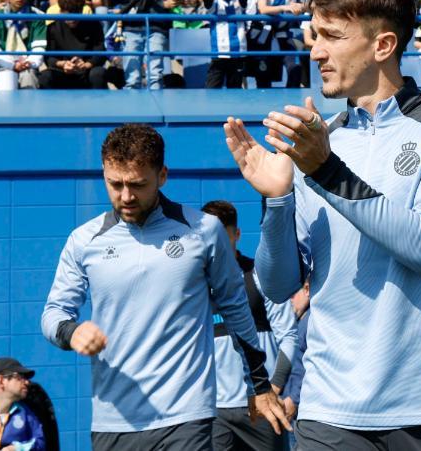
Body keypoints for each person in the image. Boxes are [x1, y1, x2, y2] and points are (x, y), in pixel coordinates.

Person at [224, 0, 421, 450]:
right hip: (330, 413)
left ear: (383, 45)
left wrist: (326, 171)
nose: (315, 51)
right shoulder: (321, 141)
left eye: (331, 36)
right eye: (314, 35)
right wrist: (278, 199)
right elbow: (279, 283)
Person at [42, 124, 290, 451]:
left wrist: (258, 384)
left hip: (187, 415)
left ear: (162, 176)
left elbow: (235, 308)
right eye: (114, 184)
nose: (126, 196)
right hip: (114, 419)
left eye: (137, 185)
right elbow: (54, 313)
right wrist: (71, 333)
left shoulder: (204, 230)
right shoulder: (84, 240)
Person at [202, 200, 300, 451]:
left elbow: (289, 336)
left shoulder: (258, 276)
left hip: (261, 405)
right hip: (215, 412)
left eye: (223, 238)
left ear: (236, 234)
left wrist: (272, 387)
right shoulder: (195, 286)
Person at [249, 0, 309, 89]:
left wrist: (302, 7)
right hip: (262, 33)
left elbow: (308, 5)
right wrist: (287, 7)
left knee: (295, 68)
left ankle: (289, 104)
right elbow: (262, 8)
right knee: (263, 73)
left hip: (284, 32)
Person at [40, 0, 123, 90]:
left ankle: (100, 104)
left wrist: (86, 65)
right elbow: (49, 57)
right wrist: (63, 64)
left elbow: (100, 53)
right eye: (68, 13)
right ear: (61, 12)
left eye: (76, 12)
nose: (73, 18)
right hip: (63, 72)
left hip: (87, 72)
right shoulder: (52, 28)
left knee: (98, 74)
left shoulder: (94, 25)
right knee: (45, 76)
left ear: (81, 11)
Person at [202, 0, 251, 89]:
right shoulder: (214, 4)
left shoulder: (239, 2)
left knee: (235, 90)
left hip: (238, 52)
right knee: (212, 89)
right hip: (219, 53)